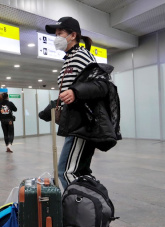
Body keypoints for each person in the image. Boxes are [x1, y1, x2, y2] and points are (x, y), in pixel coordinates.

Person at [45, 17, 98, 189]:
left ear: (73, 35)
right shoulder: (70, 58)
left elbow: (99, 84)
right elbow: (70, 89)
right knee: (80, 171)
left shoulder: (81, 55)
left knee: (66, 171)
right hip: (73, 120)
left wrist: (75, 92)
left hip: (82, 122)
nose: (56, 37)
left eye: (60, 33)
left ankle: (78, 209)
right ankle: (88, 208)